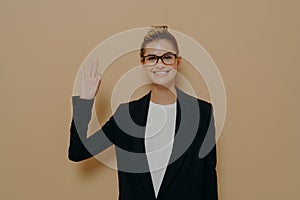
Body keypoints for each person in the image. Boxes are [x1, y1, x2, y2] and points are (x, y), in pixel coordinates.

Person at [68, 26, 218, 200]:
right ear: (143, 63)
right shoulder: (126, 115)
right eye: (152, 58)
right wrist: (86, 100)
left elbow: (209, 181)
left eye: (167, 57)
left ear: (178, 61)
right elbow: (77, 152)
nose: (159, 64)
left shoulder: (202, 113)